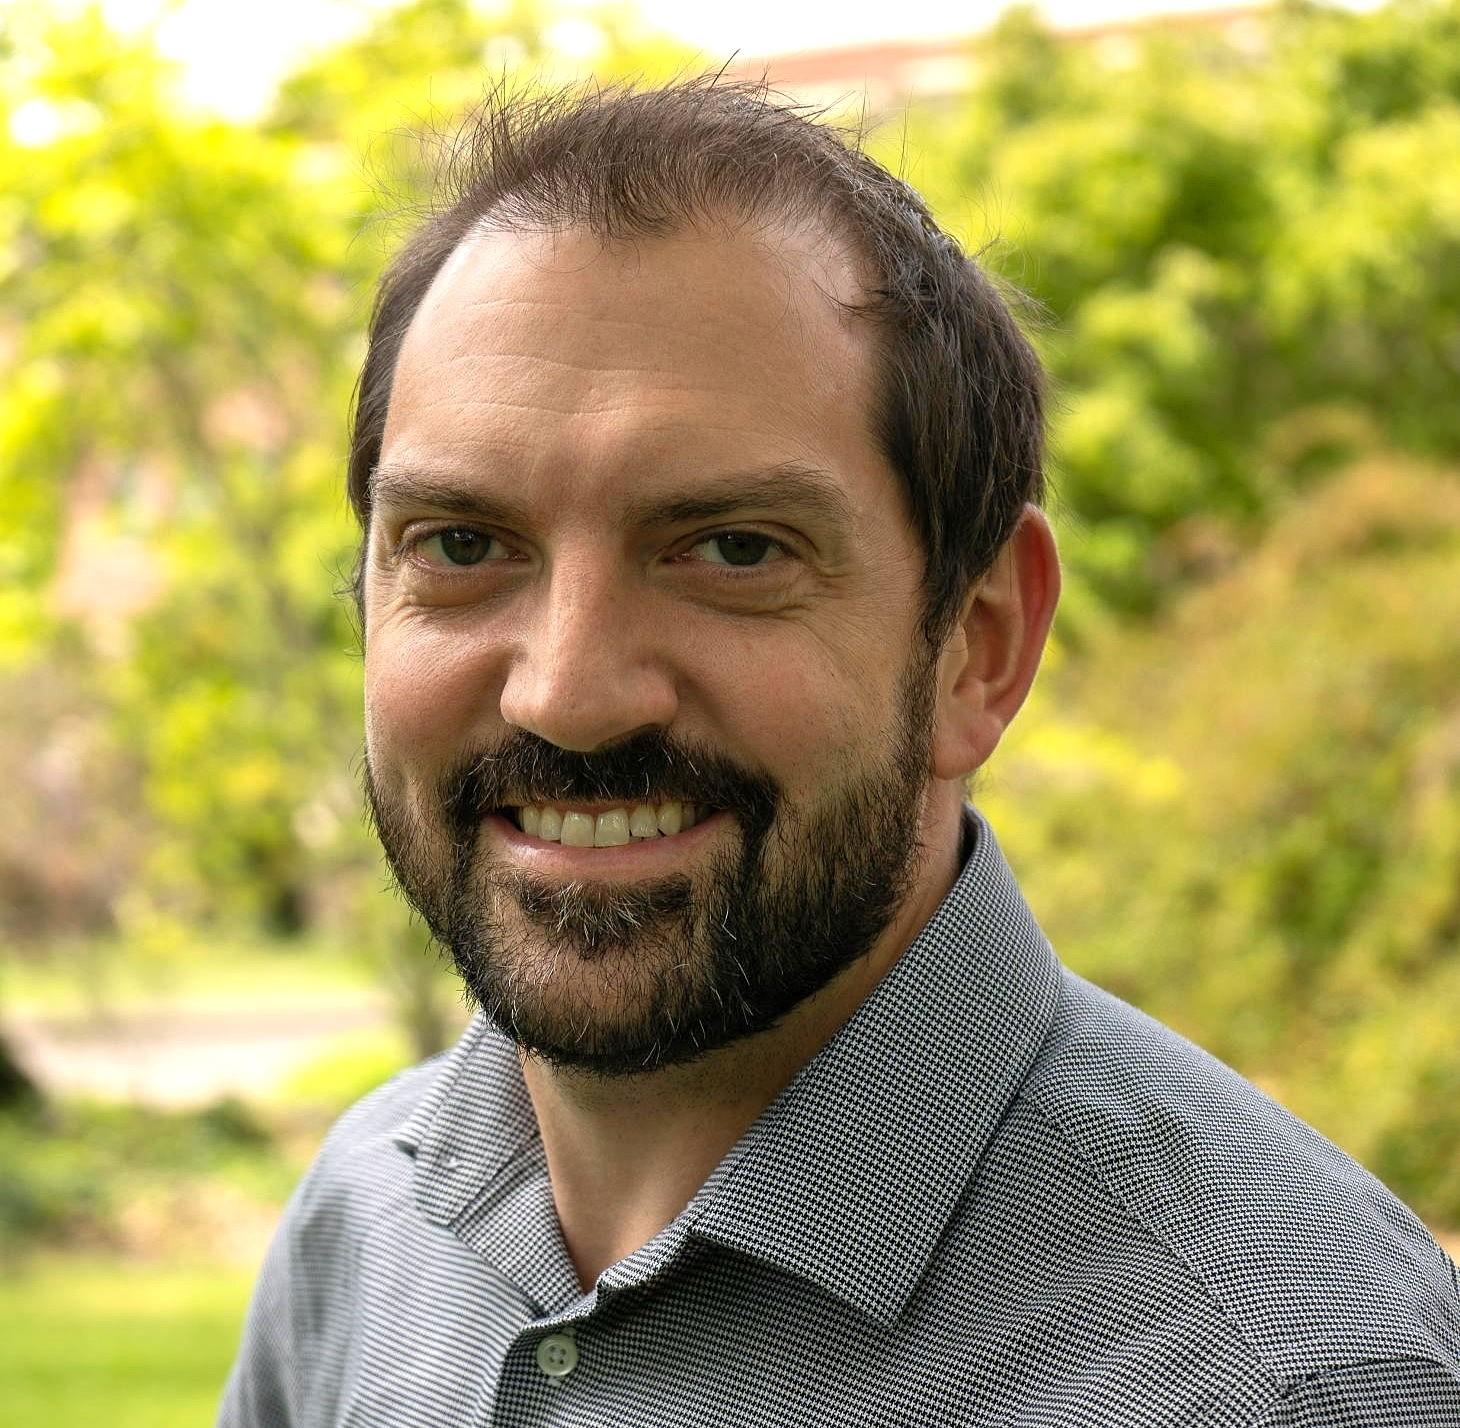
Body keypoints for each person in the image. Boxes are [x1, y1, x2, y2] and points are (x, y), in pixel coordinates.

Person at [218, 79, 1460, 1426]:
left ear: (977, 646)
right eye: (461, 546)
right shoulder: (366, 1228)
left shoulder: (1292, 1386)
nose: (570, 695)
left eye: (733, 550)